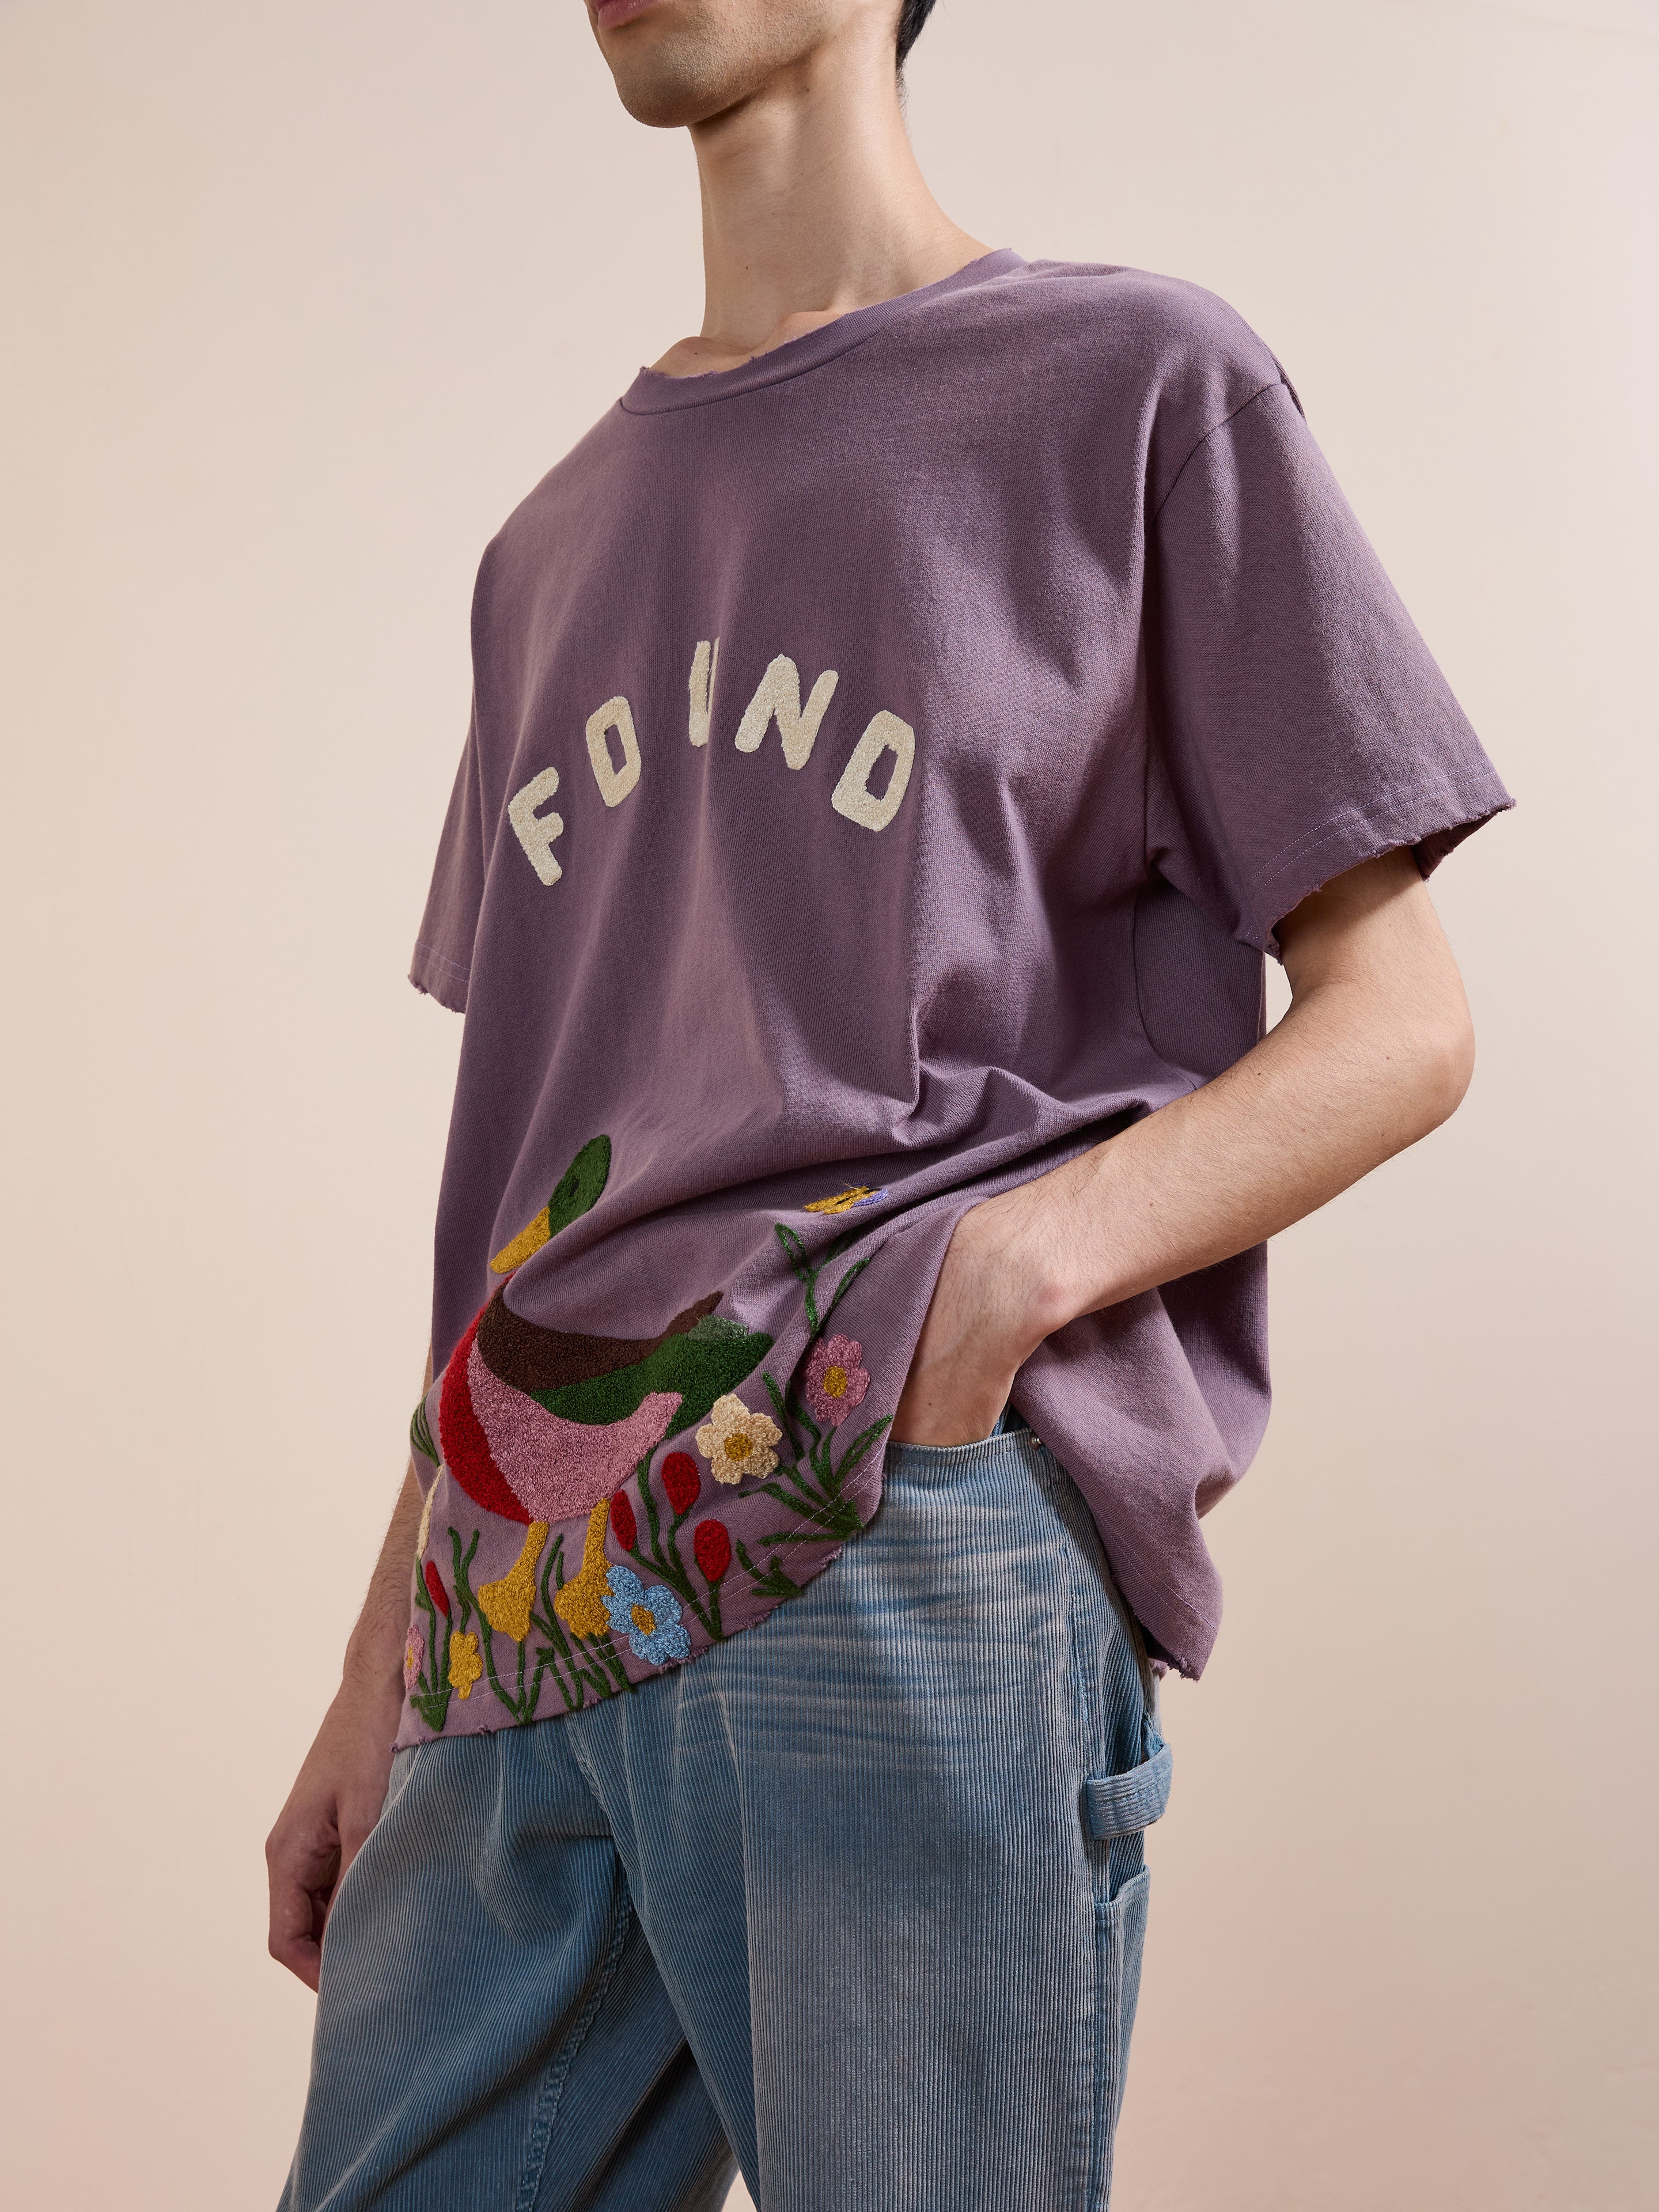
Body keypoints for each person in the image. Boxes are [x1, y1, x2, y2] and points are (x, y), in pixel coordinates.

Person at [267, 1, 1510, 2205]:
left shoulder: (1138, 388)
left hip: (882, 1519)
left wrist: (1010, 1274)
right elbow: (540, 1182)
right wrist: (383, 1654)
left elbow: (1398, 1011)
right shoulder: (544, 551)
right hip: (514, 1595)